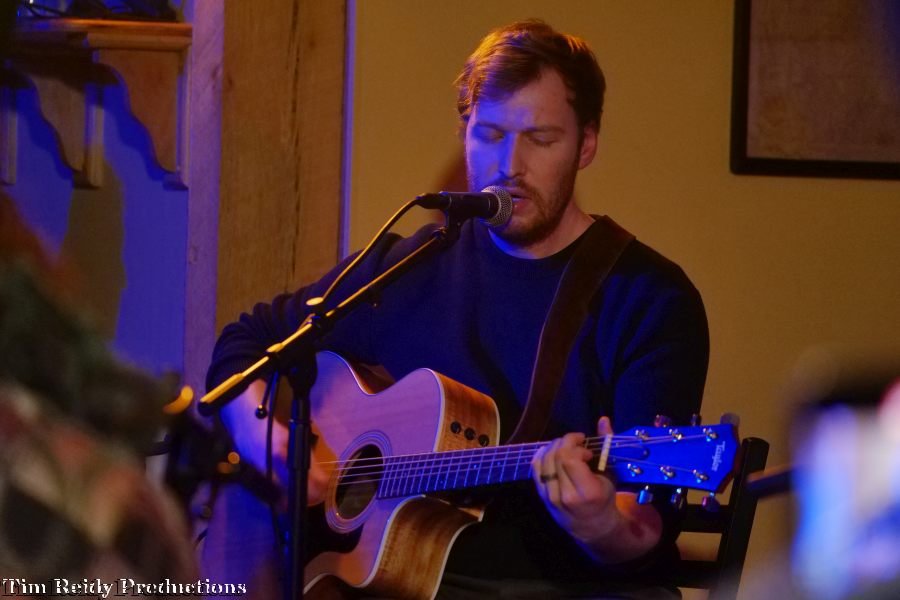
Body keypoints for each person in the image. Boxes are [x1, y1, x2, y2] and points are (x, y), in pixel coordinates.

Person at [204, 19, 708, 599]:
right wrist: (264, 442)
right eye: (489, 134)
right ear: (464, 131)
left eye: (541, 139)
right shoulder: (410, 267)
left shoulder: (649, 300)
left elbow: (647, 530)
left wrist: (602, 527)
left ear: (586, 144)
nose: (510, 164)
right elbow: (248, 341)